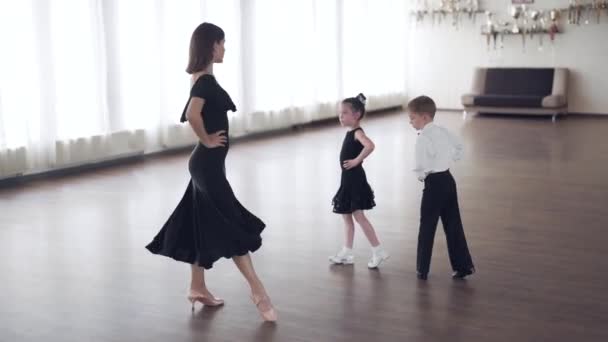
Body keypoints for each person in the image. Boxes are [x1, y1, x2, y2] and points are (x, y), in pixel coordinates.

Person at [146, 22, 277, 322]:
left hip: (205, 164)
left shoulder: (200, 78)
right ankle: (258, 290)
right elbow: (192, 114)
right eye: (222, 42)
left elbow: (197, 112)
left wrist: (206, 143)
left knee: (199, 222)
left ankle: (197, 287)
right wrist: (206, 140)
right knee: (230, 222)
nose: (225, 48)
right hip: (207, 165)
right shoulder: (204, 82)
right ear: (211, 46)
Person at [407, 95, 474, 280]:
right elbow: (459, 147)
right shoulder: (443, 130)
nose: (410, 122)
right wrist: (449, 159)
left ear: (424, 117)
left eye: (412, 118)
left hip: (434, 184)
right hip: (448, 179)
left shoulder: (423, 138)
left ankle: (422, 269)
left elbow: (420, 166)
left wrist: (422, 176)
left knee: (427, 226)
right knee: (453, 223)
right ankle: (463, 267)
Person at [329, 93, 389, 269]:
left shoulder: (357, 133)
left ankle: (378, 250)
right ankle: (347, 251)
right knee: (346, 216)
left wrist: (356, 161)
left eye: (344, 113)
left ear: (356, 115)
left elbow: (370, 145)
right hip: (347, 180)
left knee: (359, 217)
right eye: (340, 113)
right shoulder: (350, 133)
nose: (341, 116)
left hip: (354, 180)